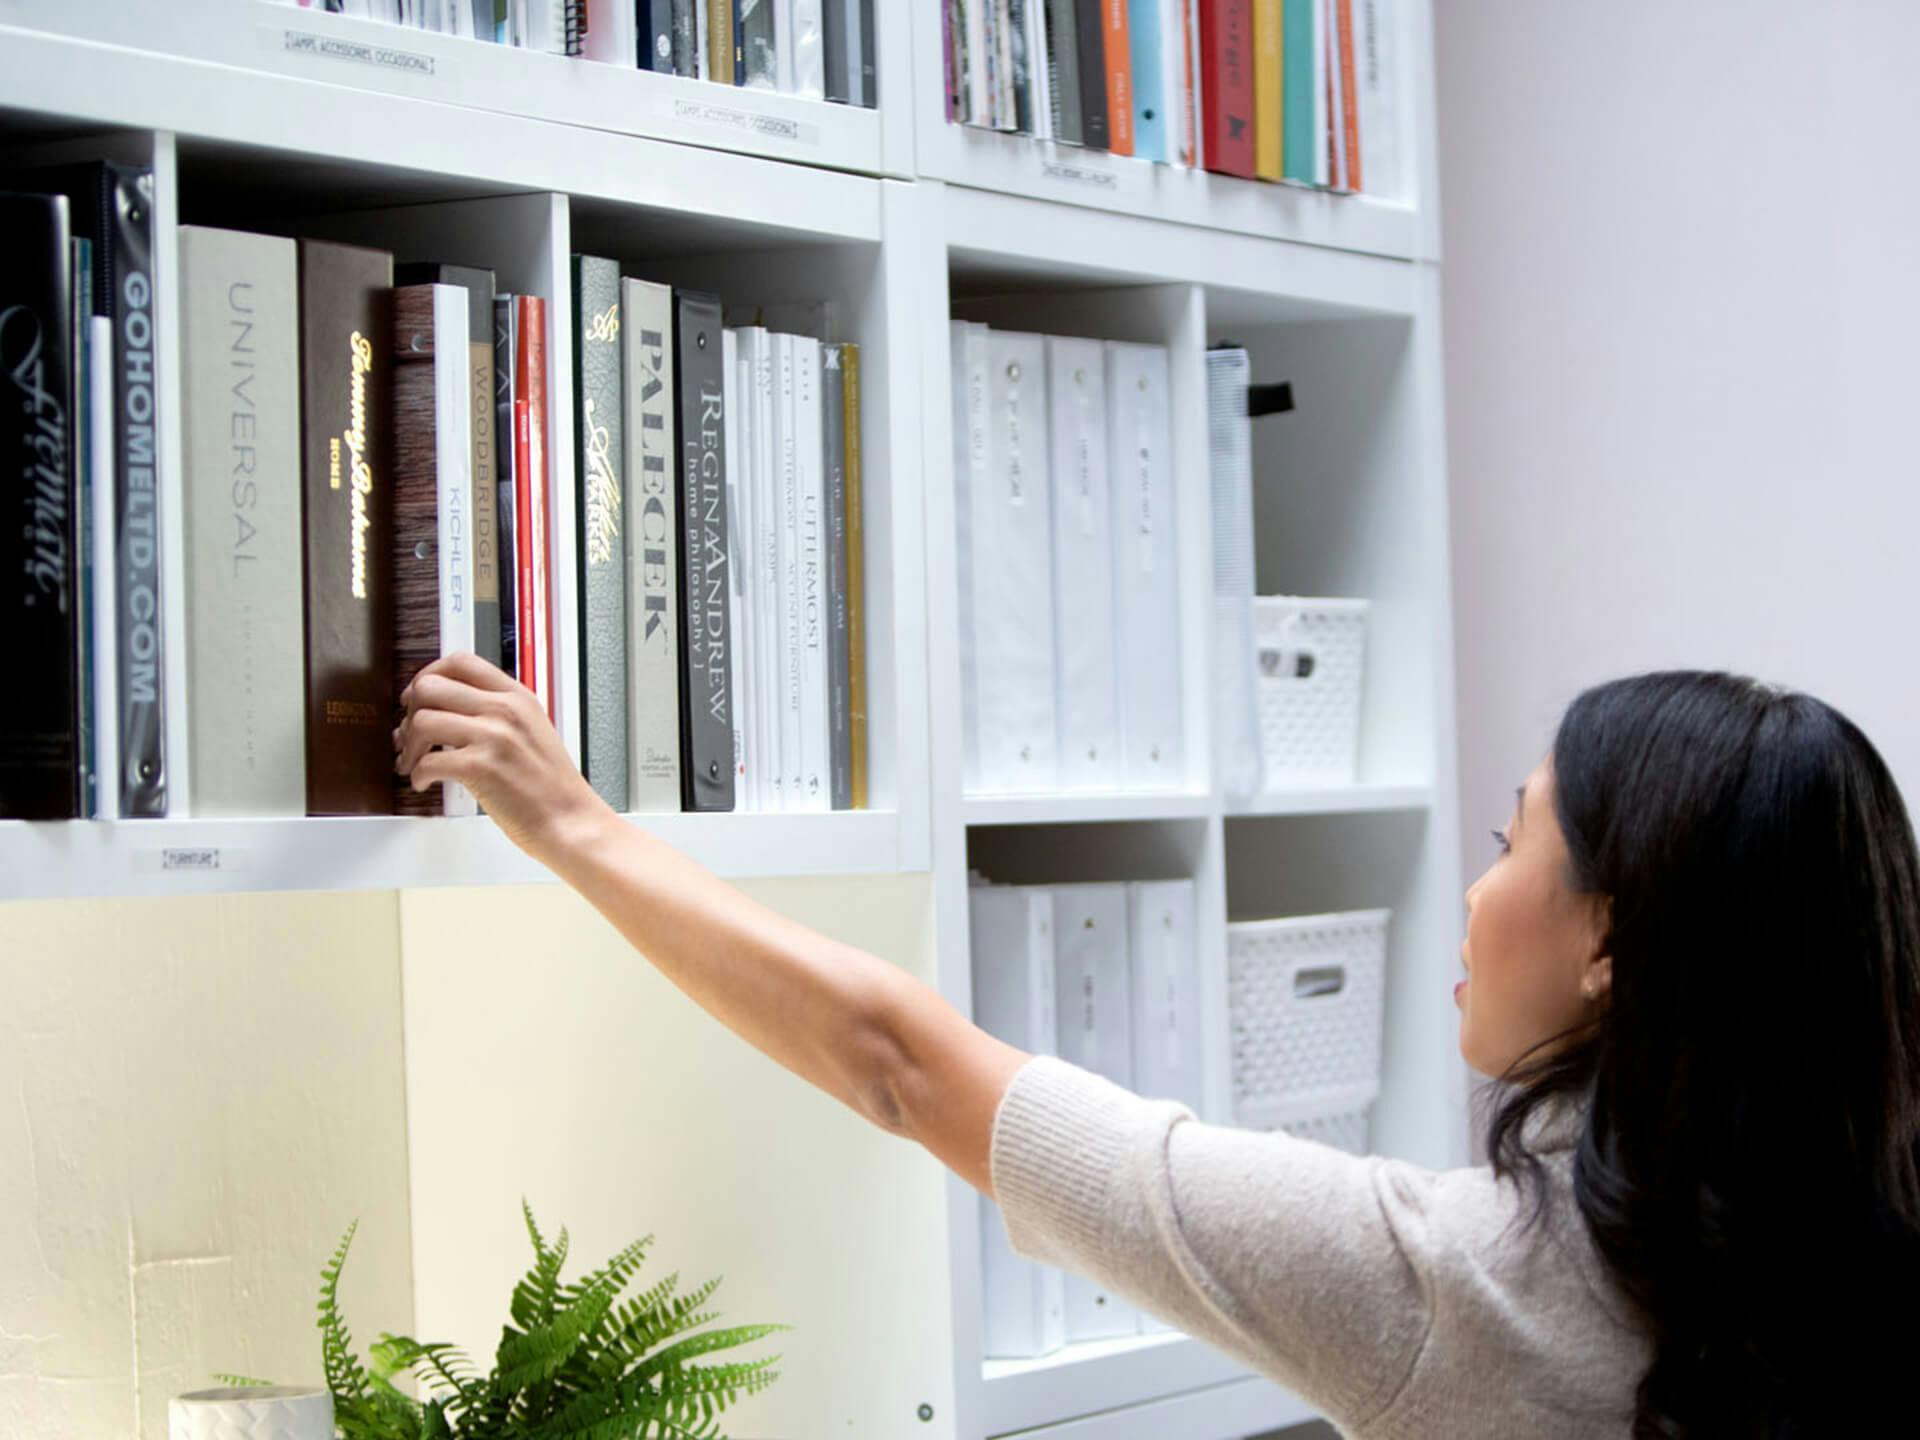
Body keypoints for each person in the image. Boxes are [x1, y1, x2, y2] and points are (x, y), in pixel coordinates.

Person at [395, 663, 1920, 1437]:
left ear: (1611, 938)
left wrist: (578, 827)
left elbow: (901, 1063)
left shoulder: (1455, 1295)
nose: (1474, 883)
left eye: (1517, 838)